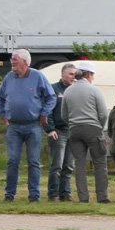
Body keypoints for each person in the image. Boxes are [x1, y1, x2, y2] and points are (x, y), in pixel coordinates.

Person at [0, 49, 54, 203]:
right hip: (13, 127)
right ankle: (9, 194)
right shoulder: (9, 77)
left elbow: (51, 97)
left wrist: (44, 113)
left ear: (25, 62)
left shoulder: (37, 76)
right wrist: (2, 114)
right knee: (12, 161)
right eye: (12, 59)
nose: (12, 62)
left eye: (15, 59)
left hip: (33, 126)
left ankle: (34, 195)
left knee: (33, 161)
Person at [61, 62, 112, 203]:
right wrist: (99, 127)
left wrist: (72, 124)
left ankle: (83, 197)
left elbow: (64, 115)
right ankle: (102, 197)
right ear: (89, 74)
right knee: (100, 163)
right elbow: (103, 114)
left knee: (79, 164)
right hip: (93, 129)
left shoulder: (68, 91)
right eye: (93, 75)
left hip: (74, 130)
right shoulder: (94, 90)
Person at [44, 63, 77, 201]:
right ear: (62, 74)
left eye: (75, 74)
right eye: (70, 74)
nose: (73, 77)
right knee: (57, 165)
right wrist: (50, 129)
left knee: (69, 165)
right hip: (58, 131)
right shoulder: (53, 89)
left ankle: (65, 193)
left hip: (72, 131)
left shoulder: (75, 90)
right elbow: (47, 111)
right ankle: (53, 194)